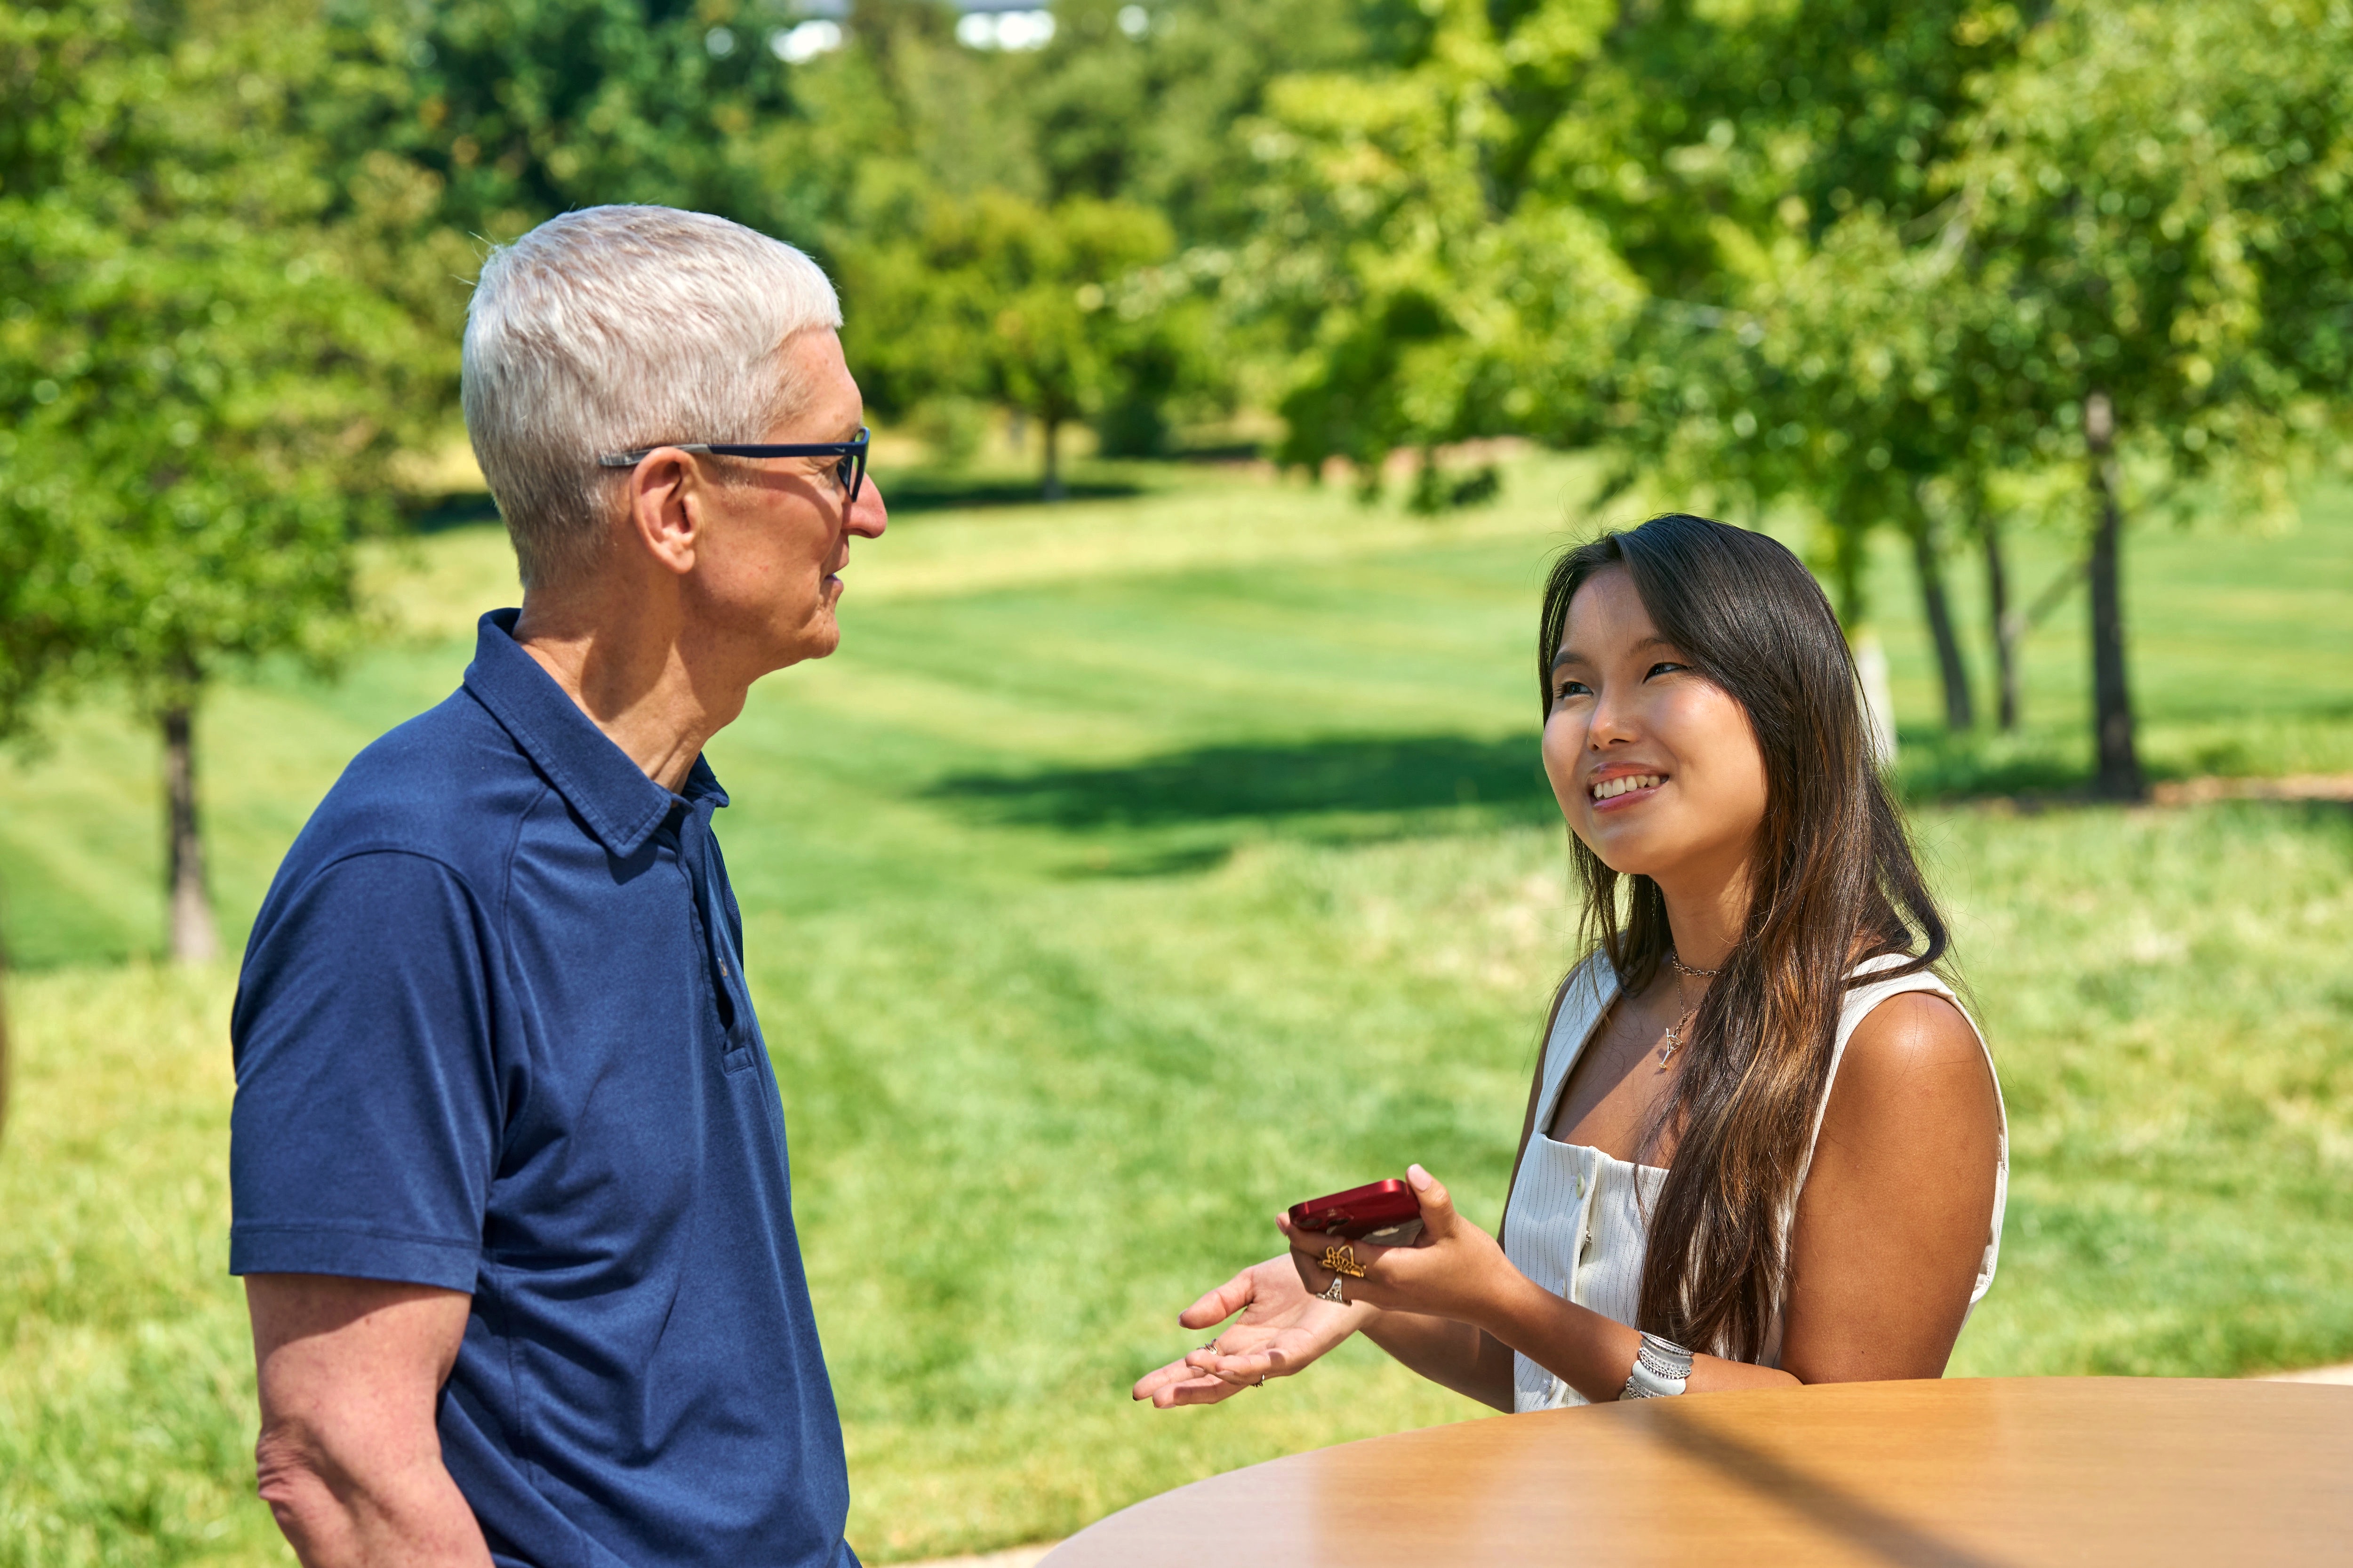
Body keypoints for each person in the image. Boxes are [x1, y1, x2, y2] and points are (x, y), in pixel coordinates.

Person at [228, 205, 887, 1568]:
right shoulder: (410, 878)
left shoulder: (657, 802)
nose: (869, 512)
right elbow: (338, 1456)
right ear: (675, 507)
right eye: (836, 460)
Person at [1134, 513, 2005, 1411]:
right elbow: (1536, 1373)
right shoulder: (1597, 1000)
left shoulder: (1897, 1048)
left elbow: (1854, 1437)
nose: (1602, 726)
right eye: (1573, 687)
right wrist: (1370, 1289)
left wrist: (1510, 1302)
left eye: (1660, 669)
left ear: (1792, 705)